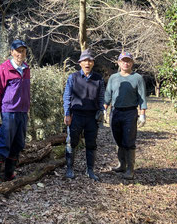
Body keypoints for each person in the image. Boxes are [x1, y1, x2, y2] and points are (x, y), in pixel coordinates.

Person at [0, 40, 31, 185]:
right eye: (17, 51)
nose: (20, 54)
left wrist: (27, 109)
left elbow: (26, 92)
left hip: (22, 112)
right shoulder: (4, 68)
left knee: (18, 143)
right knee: (3, 143)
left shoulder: (26, 68)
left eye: (23, 51)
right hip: (8, 111)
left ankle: (9, 173)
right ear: (11, 52)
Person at [104, 51, 147, 180]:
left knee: (129, 140)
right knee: (118, 139)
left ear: (132, 63)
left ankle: (130, 169)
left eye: (128, 61)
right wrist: (104, 109)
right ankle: (122, 164)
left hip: (130, 112)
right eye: (123, 61)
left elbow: (142, 97)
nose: (126, 63)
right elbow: (108, 95)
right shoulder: (113, 78)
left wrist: (142, 114)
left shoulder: (137, 78)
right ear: (119, 63)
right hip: (115, 112)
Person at [63, 49, 105, 181]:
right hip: (76, 115)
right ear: (80, 63)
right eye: (85, 60)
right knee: (72, 142)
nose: (87, 63)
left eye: (90, 60)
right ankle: (70, 168)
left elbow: (101, 97)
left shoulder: (98, 79)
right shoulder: (73, 77)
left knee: (91, 144)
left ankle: (90, 170)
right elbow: (67, 96)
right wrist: (67, 113)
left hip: (92, 116)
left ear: (93, 63)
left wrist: (101, 112)